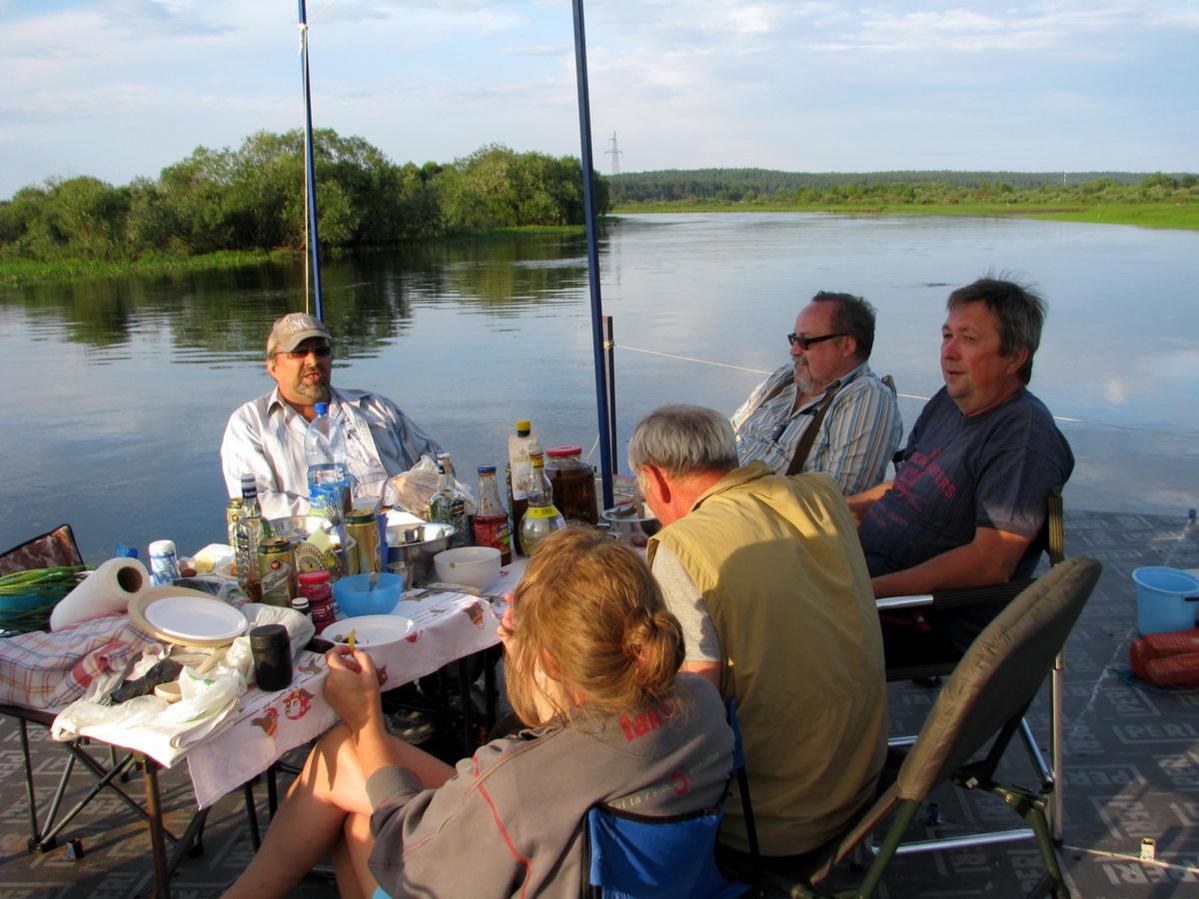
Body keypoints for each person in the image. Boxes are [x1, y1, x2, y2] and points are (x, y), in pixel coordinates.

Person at [222, 526, 733, 899]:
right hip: (614, 859)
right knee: (342, 758)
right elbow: (574, 748)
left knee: (360, 823)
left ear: (553, 661)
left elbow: (404, 850)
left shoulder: (516, 777)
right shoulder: (701, 703)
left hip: (524, 842)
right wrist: (539, 661)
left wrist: (366, 719)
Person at [629, 405, 887, 865]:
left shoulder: (683, 545)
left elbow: (693, 711)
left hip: (772, 818)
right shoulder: (822, 494)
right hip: (862, 781)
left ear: (656, 478)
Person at [851, 277, 1075, 653]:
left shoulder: (1022, 437)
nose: (949, 352)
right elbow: (907, 484)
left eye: (968, 339)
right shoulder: (948, 402)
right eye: (947, 336)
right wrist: (835, 508)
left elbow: (990, 563)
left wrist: (862, 592)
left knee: (761, 609)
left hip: (922, 617)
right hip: (861, 570)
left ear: (1015, 357)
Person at [220, 312, 441, 519]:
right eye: (299, 353)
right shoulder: (249, 423)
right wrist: (352, 513)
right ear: (272, 367)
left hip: (403, 533)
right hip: (312, 541)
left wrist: (411, 487)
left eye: (321, 351)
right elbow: (256, 504)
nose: (313, 361)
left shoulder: (375, 406)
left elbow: (438, 461)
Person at [730, 291, 902, 494]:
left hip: (757, 510)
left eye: (805, 341)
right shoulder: (785, 378)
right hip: (715, 496)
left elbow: (838, 501)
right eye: (794, 339)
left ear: (847, 345)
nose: (794, 351)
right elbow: (728, 435)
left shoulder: (866, 398)